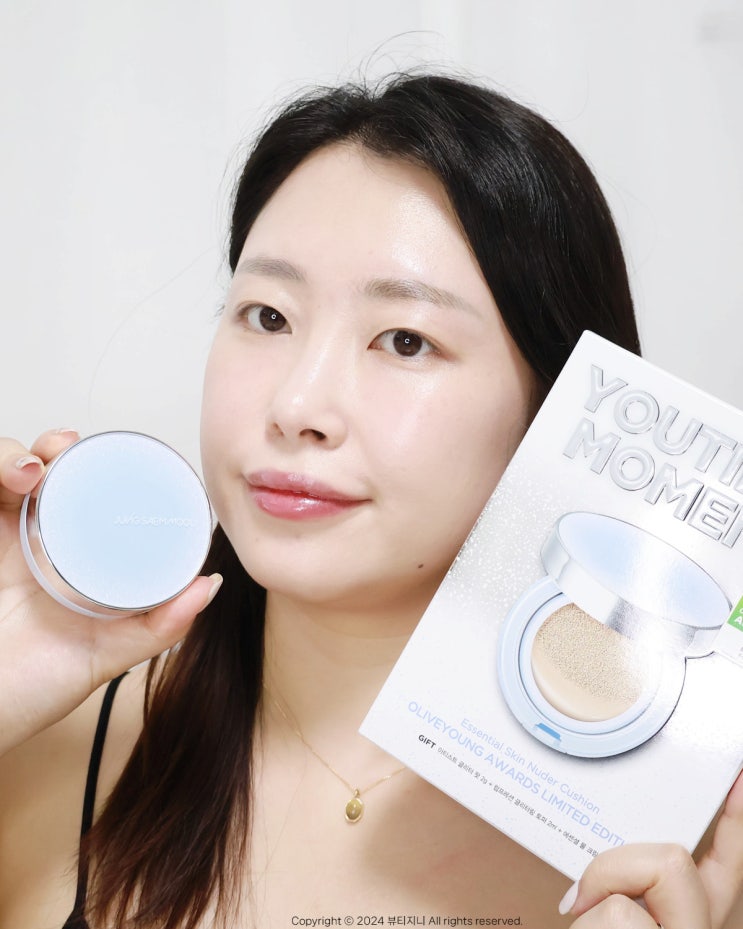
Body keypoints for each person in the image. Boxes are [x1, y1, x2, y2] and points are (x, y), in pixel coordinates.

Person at [1, 71, 742, 929]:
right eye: (268, 316)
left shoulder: (690, 851)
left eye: (405, 340)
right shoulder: (48, 740)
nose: (296, 406)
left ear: (559, 404)